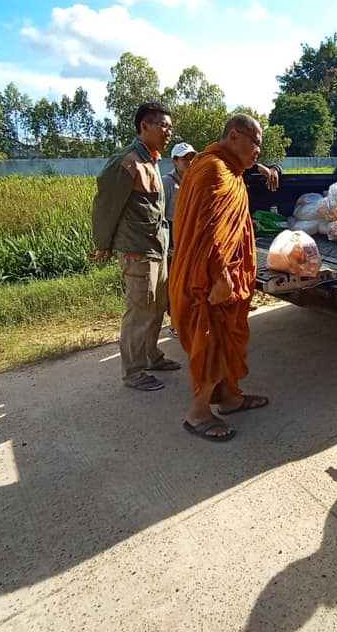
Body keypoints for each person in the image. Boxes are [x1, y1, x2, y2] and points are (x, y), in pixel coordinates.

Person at [169, 113, 269, 442]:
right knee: (211, 342)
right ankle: (197, 413)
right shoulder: (212, 168)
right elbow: (206, 229)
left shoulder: (231, 171)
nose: (258, 149)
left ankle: (229, 399)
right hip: (209, 281)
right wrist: (220, 275)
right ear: (235, 136)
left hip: (226, 276)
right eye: (256, 141)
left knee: (227, 340)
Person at [90, 101, 182, 392]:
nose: (168, 132)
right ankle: (133, 372)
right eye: (163, 126)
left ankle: (152, 356)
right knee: (139, 311)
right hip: (136, 251)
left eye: (170, 127)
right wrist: (103, 245)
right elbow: (105, 207)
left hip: (157, 248)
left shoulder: (151, 161)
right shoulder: (126, 162)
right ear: (144, 126)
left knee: (156, 308)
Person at [161, 141, 198, 338]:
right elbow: (160, 213)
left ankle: (188, 319)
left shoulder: (193, 180)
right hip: (174, 237)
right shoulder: (167, 182)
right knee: (176, 282)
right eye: (185, 158)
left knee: (190, 282)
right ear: (175, 161)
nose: (190, 162)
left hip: (190, 236)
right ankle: (176, 323)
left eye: (192, 158)